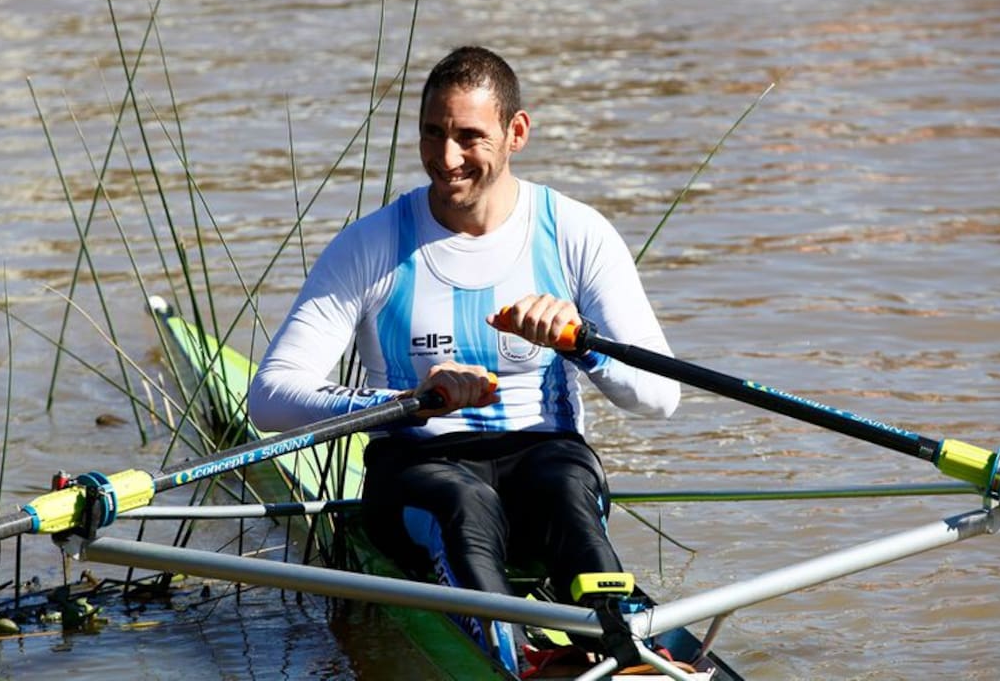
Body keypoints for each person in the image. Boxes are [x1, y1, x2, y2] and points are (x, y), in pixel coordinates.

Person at [248, 46, 679, 671]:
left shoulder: (577, 233)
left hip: (547, 460)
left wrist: (580, 344)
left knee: (564, 491)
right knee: (464, 504)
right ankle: (515, 659)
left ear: (517, 133)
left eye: (469, 137)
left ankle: (629, 647)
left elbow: (660, 397)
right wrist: (407, 403)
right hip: (418, 469)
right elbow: (269, 396)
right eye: (432, 134)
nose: (446, 160)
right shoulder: (371, 245)